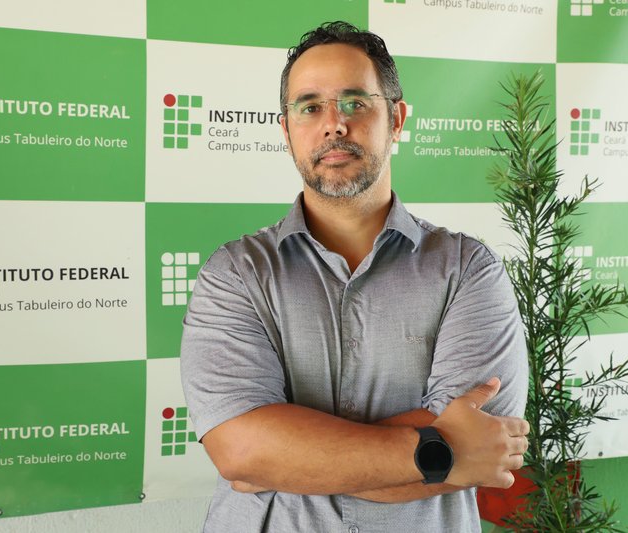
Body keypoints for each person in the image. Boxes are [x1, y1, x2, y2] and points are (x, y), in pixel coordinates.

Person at [180, 21, 529, 533]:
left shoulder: (467, 269)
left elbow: (485, 442)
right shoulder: (235, 273)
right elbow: (240, 450)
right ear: (286, 130)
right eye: (309, 107)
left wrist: (283, 462)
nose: (333, 125)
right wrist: (440, 452)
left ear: (397, 118)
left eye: (355, 103)